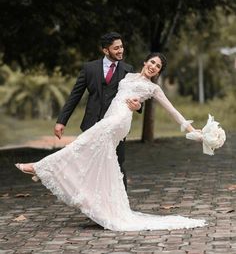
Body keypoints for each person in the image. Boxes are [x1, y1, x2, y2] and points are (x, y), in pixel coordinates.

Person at [15, 52, 206, 231]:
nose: (154, 66)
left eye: (158, 66)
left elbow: (171, 110)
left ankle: (40, 167)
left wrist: (191, 129)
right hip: (109, 117)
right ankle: (104, 208)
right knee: (99, 160)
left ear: (158, 72)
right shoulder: (127, 75)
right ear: (145, 62)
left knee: (81, 144)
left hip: (120, 120)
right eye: (152, 62)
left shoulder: (153, 88)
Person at [54, 32, 141, 190]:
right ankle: (94, 208)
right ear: (106, 50)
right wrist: (61, 121)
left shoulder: (128, 70)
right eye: (116, 48)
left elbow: (136, 96)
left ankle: (121, 207)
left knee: (118, 164)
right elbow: (75, 95)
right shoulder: (89, 69)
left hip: (116, 125)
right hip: (92, 124)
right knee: (91, 166)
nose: (121, 50)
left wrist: (138, 106)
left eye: (121, 46)